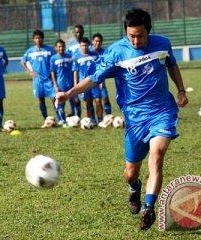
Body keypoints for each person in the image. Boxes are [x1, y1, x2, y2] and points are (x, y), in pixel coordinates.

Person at [56, 8, 188, 230]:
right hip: (134, 119)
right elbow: (93, 78)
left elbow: (171, 64)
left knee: (156, 156)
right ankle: (135, 189)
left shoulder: (163, 44)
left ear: (149, 31)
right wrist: (69, 93)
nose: (136, 40)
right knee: (130, 173)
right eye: (131, 36)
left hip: (162, 112)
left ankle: (148, 208)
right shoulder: (116, 52)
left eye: (140, 35)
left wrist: (181, 90)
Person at [20, 29, 58, 128]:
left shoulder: (50, 50)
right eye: (36, 38)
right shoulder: (30, 51)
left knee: (54, 98)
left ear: (43, 38)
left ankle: (59, 118)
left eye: (40, 38)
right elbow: (22, 62)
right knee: (41, 100)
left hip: (49, 78)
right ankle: (46, 119)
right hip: (37, 80)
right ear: (34, 39)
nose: (38, 40)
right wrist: (29, 72)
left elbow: (56, 60)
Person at [50, 39, 81, 126]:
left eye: (62, 46)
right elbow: (52, 73)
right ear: (55, 48)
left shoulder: (70, 56)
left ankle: (78, 119)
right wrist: (55, 86)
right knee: (61, 103)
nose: (61, 48)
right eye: (59, 46)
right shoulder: (53, 58)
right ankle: (63, 121)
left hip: (71, 84)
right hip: (61, 84)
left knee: (76, 101)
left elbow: (75, 70)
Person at [72, 37, 103, 124]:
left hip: (95, 82)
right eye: (82, 45)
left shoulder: (95, 55)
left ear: (89, 45)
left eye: (86, 45)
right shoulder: (76, 57)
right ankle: (88, 121)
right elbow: (75, 72)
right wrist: (75, 85)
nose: (84, 47)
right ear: (80, 46)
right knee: (87, 103)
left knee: (98, 101)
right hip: (83, 83)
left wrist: (101, 81)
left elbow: (100, 69)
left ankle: (100, 120)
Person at [90, 33, 112, 117]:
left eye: (99, 41)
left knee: (105, 98)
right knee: (94, 101)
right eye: (96, 41)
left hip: (101, 80)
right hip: (90, 81)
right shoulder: (89, 52)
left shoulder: (104, 53)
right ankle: (95, 120)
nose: (97, 43)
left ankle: (108, 117)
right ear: (92, 41)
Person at [66, 24, 85, 116]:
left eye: (80, 32)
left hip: (83, 71)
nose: (78, 34)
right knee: (73, 91)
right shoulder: (70, 45)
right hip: (72, 71)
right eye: (77, 32)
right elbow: (67, 58)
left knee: (84, 94)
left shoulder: (86, 43)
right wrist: (72, 59)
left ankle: (84, 115)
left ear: (83, 32)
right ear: (74, 33)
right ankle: (73, 111)